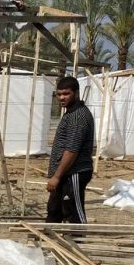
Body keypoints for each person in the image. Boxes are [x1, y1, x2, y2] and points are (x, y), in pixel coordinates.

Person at [46, 76, 94, 224]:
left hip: (74, 172)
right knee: (54, 210)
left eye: (66, 93)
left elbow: (72, 150)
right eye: (59, 94)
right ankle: (49, 244)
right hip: (65, 174)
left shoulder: (78, 116)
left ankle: (75, 245)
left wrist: (56, 177)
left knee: (72, 213)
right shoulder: (70, 113)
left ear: (76, 93)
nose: (62, 97)